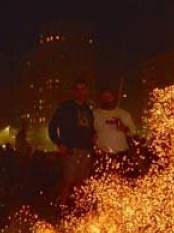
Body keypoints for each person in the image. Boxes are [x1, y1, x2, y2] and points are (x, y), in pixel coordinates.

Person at [48, 80, 95, 208]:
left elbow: (91, 128)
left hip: (86, 149)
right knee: (67, 181)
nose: (80, 92)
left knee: (82, 181)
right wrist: (59, 143)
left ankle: (80, 207)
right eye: (77, 89)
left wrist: (93, 137)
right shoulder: (65, 108)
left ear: (87, 91)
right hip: (70, 149)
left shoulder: (89, 109)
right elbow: (52, 126)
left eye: (83, 89)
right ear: (73, 92)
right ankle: (63, 207)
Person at [93, 88, 137, 175]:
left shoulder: (123, 114)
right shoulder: (95, 114)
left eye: (109, 97)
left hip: (121, 154)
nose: (106, 100)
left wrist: (124, 128)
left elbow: (133, 132)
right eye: (104, 97)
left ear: (114, 98)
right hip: (102, 154)